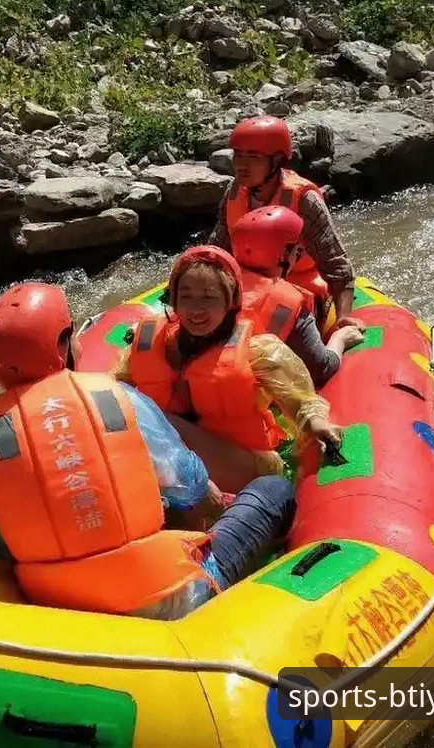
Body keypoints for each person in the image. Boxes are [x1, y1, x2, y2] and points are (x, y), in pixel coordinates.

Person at [0, 282, 296, 621]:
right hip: (167, 599)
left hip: (50, 603)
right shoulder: (119, 399)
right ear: (62, 346)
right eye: (72, 334)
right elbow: (192, 490)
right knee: (274, 489)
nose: (82, 343)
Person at [114, 246, 343, 493]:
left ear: (230, 302)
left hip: (246, 465)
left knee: (158, 418)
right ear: (173, 300)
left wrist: (316, 422)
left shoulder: (260, 351)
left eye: (209, 297)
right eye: (186, 296)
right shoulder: (152, 343)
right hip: (174, 458)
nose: (196, 309)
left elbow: (305, 401)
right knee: (136, 411)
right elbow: (113, 384)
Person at [205, 115, 362, 328]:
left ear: (277, 161)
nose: (242, 165)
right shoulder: (234, 192)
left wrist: (344, 317)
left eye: (253, 157)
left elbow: (335, 263)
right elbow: (216, 248)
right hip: (249, 286)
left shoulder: (304, 200)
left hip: (296, 289)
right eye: (238, 155)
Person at [231, 206, 365, 387]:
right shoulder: (289, 305)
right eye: (297, 251)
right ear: (284, 254)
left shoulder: (218, 285)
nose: (299, 255)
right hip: (254, 399)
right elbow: (320, 368)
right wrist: (340, 339)